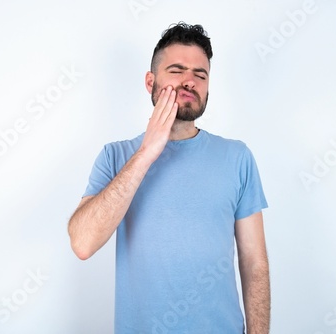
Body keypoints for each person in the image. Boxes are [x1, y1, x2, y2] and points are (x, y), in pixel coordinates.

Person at [68, 22, 270, 334]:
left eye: (200, 75)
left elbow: (254, 262)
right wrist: (147, 153)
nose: (190, 81)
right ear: (151, 81)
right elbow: (82, 243)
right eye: (177, 70)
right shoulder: (115, 156)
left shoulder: (237, 157)